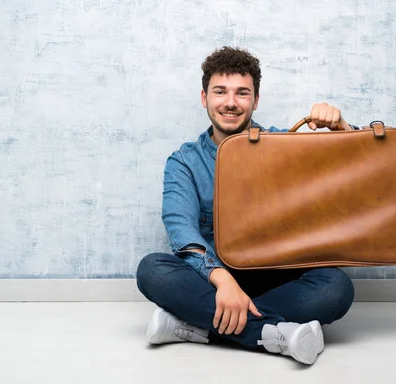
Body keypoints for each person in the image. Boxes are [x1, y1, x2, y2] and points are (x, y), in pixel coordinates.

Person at [136, 46, 356, 365]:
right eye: (220, 91)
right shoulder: (184, 161)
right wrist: (223, 280)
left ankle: (197, 326)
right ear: (204, 98)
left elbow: (348, 171)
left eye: (242, 93)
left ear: (255, 100)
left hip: (276, 274)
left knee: (336, 288)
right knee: (151, 270)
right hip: (212, 278)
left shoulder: (284, 144)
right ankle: (274, 334)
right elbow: (181, 231)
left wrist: (341, 128)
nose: (230, 102)